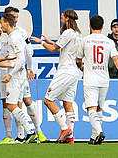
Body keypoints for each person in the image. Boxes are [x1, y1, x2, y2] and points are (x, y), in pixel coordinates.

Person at [76, 15, 118, 145]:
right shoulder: (108, 41)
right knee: (99, 108)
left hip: (90, 79)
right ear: (102, 26)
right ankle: (94, 137)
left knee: (91, 109)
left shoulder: (85, 40)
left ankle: (99, 132)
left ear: (89, 26)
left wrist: (82, 67)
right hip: (104, 79)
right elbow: (116, 59)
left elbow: (78, 59)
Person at [0, 7, 47, 144]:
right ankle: (22, 136)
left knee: (12, 105)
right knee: (15, 104)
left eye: (2, 22)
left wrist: (11, 74)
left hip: (15, 75)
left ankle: (31, 131)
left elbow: (21, 58)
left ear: (7, 22)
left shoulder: (14, 37)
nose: (1, 25)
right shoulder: (13, 36)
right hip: (16, 73)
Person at [31, 9, 81, 144]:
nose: (61, 19)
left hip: (65, 71)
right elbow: (61, 46)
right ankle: (70, 137)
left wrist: (40, 42)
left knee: (48, 100)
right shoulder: (77, 34)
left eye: (62, 17)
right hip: (74, 72)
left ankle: (65, 129)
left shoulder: (68, 32)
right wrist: (48, 40)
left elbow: (54, 49)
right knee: (67, 103)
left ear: (66, 19)